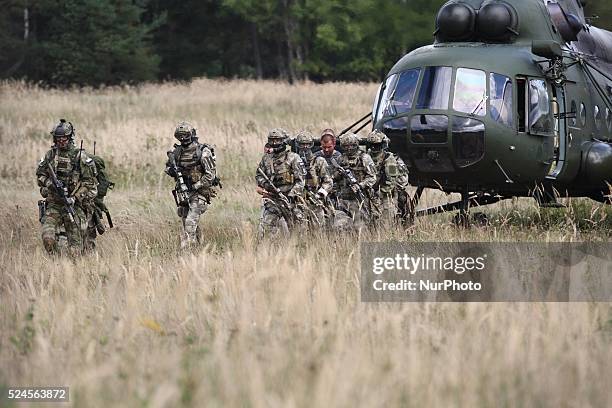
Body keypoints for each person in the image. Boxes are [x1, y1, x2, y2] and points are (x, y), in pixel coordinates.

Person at [36, 119, 98, 256]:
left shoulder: (79, 157)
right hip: (54, 205)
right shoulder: (50, 155)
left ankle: (73, 268)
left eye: (64, 138)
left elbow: (89, 183)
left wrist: (75, 198)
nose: (61, 141)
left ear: (70, 137)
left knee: (75, 249)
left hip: (74, 206)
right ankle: (56, 262)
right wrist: (49, 184)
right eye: (58, 138)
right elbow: (40, 175)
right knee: (48, 239)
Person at [165, 121, 219, 248]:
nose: (183, 139)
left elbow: (210, 175)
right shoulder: (176, 152)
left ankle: (188, 251)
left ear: (192, 135)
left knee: (190, 223)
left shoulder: (203, 151)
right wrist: (172, 171)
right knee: (186, 221)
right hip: (183, 193)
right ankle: (198, 247)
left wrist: (196, 185)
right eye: (180, 136)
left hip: (199, 192)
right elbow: (168, 168)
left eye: (185, 135)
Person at [255, 128, 306, 239]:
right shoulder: (266, 159)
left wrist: (292, 196)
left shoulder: (293, 158)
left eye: (277, 140)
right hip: (273, 199)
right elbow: (258, 175)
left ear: (284, 141)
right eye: (272, 140)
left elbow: (301, 182)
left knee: (298, 232)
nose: (274, 143)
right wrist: (267, 185)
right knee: (265, 228)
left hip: (291, 201)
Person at [330, 132, 377, 230]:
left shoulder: (364, 158)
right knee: (339, 226)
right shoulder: (340, 159)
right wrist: (338, 174)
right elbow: (332, 177)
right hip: (343, 199)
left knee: (360, 227)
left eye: (352, 145)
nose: (349, 148)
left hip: (359, 199)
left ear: (356, 145)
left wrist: (360, 185)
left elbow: (372, 177)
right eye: (346, 146)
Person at [295, 130, 334, 227]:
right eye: (302, 144)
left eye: (307, 144)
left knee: (318, 229)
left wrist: (320, 194)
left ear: (311, 144)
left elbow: (328, 182)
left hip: (316, 201)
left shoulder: (319, 161)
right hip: (297, 201)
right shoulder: (292, 161)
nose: (305, 147)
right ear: (297, 145)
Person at [366, 130, 399, 225]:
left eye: (376, 145)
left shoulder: (389, 159)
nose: (374, 148)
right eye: (371, 145)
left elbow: (392, 179)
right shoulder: (366, 157)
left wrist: (380, 192)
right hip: (369, 196)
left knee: (386, 223)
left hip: (386, 196)